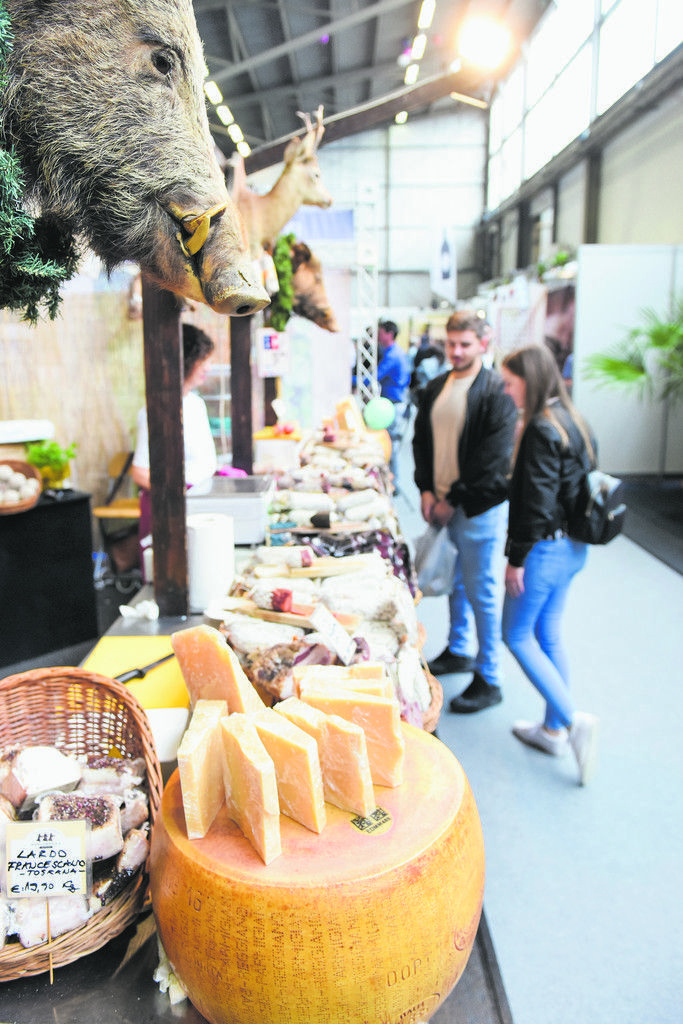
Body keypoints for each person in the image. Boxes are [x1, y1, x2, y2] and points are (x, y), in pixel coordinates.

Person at [500, 344, 599, 784]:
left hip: (542, 550)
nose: (506, 391)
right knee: (548, 633)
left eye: (510, 383)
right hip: (572, 549)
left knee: (516, 635)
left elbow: (536, 504)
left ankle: (573, 721)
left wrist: (516, 558)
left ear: (530, 379)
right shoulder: (573, 419)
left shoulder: (541, 428)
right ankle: (554, 730)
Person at [413, 310, 517, 713]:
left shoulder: (496, 391)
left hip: (476, 507)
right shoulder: (437, 385)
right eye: (451, 343)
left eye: (464, 345)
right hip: (439, 502)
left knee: (481, 589)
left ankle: (490, 675)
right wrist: (425, 488)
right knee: (455, 583)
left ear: (483, 343)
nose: (455, 351)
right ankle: (459, 649)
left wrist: (450, 499)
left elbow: (490, 460)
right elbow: (421, 442)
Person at [131, 323, 218, 550]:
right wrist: (176, 495)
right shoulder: (155, 410)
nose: (208, 367)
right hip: (171, 511)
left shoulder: (196, 404)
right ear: (186, 359)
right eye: (204, 360)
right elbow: (140, 473)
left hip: (199, 506)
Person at [376, 319, 411, 485]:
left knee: (391, 444)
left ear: (389, 334)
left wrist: (350, 379)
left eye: (380, 332)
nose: (377, 336)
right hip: (394, 402)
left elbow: (374, 377)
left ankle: (393, 483)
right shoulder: (396, 352)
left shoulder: (392, 355)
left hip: (394, 404)